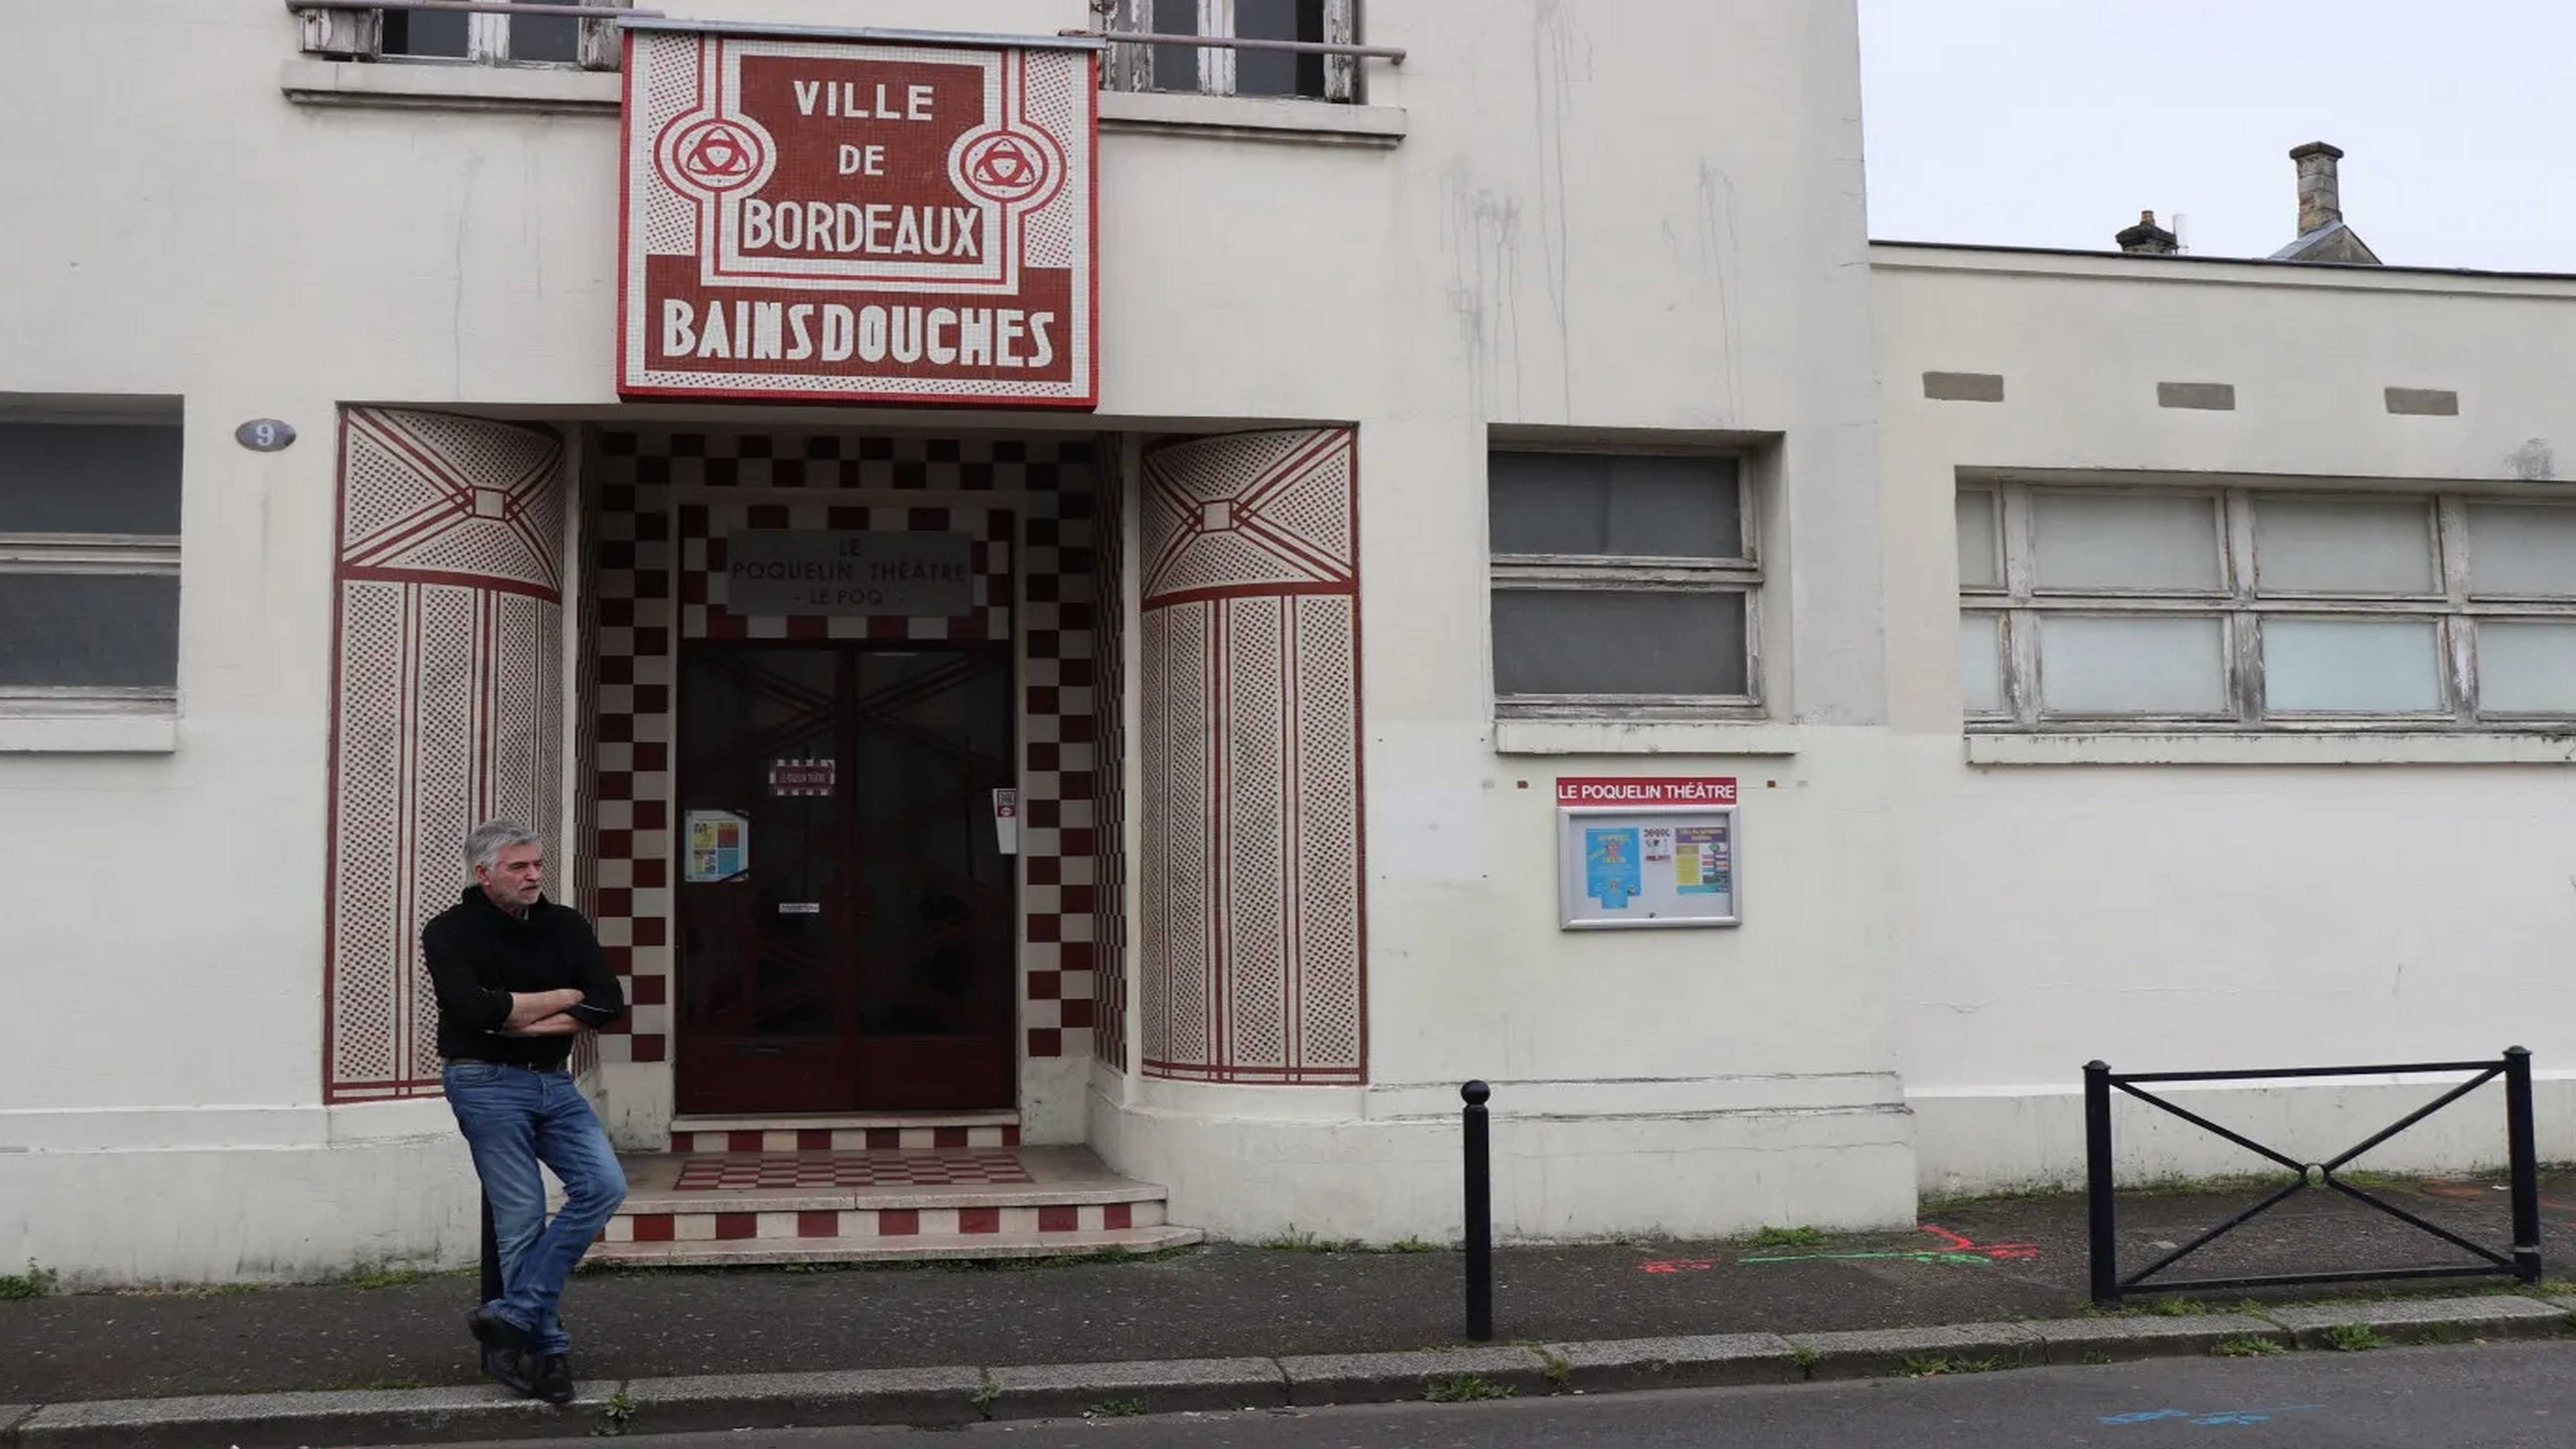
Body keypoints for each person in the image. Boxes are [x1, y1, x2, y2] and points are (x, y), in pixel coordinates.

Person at [423, 820, 627, 1405]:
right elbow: (478, 1012)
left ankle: (514, 1314)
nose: (535, 875)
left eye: (537, 864)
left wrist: (518, 1015)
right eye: (519, 867)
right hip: (483, 1082)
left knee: (603, 1186)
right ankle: (547, 1352)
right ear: (484, 874)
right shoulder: (449, 931)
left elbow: (608, 1002)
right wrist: (566, 999)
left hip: (553, 1084)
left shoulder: (564, 925)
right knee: (520, 1217)